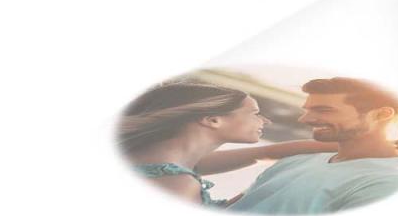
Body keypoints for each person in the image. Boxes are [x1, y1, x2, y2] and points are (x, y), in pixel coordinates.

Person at [118, 82, 341, 207]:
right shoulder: (176, 182)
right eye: (255, 113)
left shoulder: (160, 160)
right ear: (213, 120)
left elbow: (269, 151)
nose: (265, 121)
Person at [228, 77, 398, 215]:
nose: (305, 119)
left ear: (381, 115)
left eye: (324, 110)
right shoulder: (297, 160)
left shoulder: (392, 184)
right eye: (308, 110)